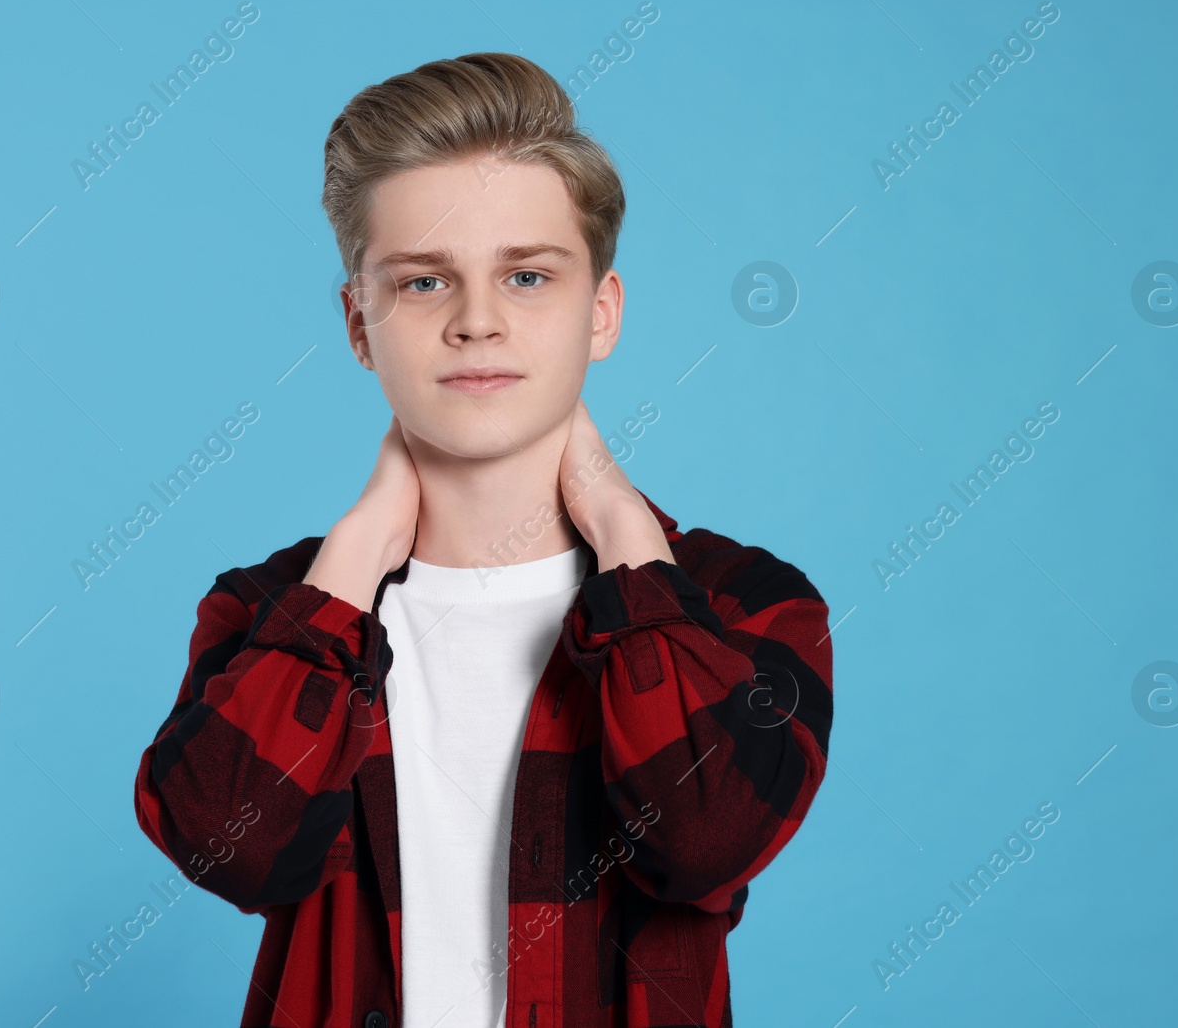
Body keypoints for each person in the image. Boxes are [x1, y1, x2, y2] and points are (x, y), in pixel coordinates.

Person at [133, 51, 834, 1028]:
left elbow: (705, 835)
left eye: (527, 275)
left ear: (601, 312)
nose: (476, 321)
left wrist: (625, 531)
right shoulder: (269, 612)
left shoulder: (739, 600)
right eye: (423, 282)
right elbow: (229, 846)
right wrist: (357, 550)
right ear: (358, 323)